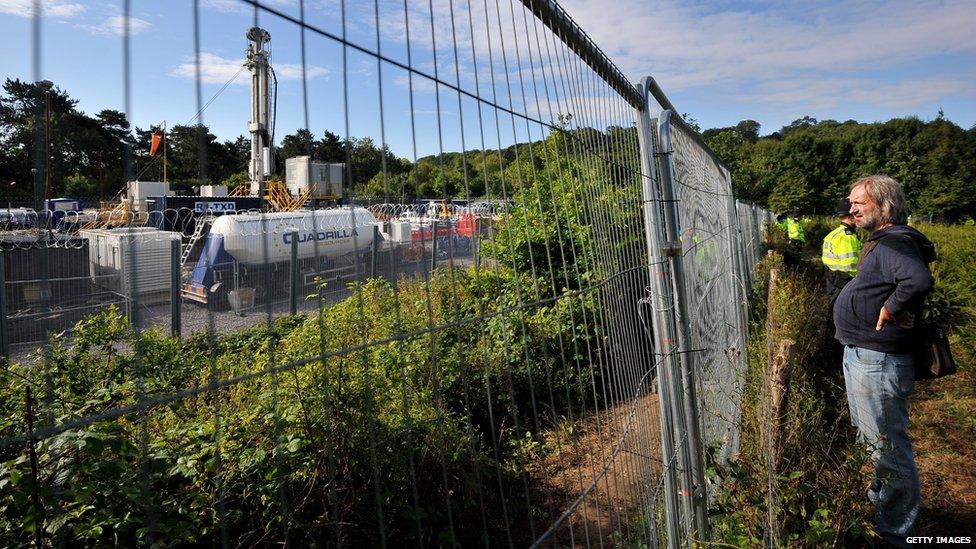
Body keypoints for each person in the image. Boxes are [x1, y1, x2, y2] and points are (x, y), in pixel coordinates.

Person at [833, 175, 935, 547]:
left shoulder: (894, 242)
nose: (852, 209)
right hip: (866, 356)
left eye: (859, 202)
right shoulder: (884, 241)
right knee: (874, 439)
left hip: (877, 361)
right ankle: (883, 509)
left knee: (888, 447)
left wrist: (891, 308)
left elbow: (917, 279)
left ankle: (895, 535)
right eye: (851, 202)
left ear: (885, 206)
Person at [822, 198, 861, 365]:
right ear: (850, 216)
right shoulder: (847, 237)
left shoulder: (834, 234)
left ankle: (829, 357)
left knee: (833, 319)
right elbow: (852, 267)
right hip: (844, 284)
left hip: (832, 281)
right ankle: (836, 359)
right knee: (843, 321)